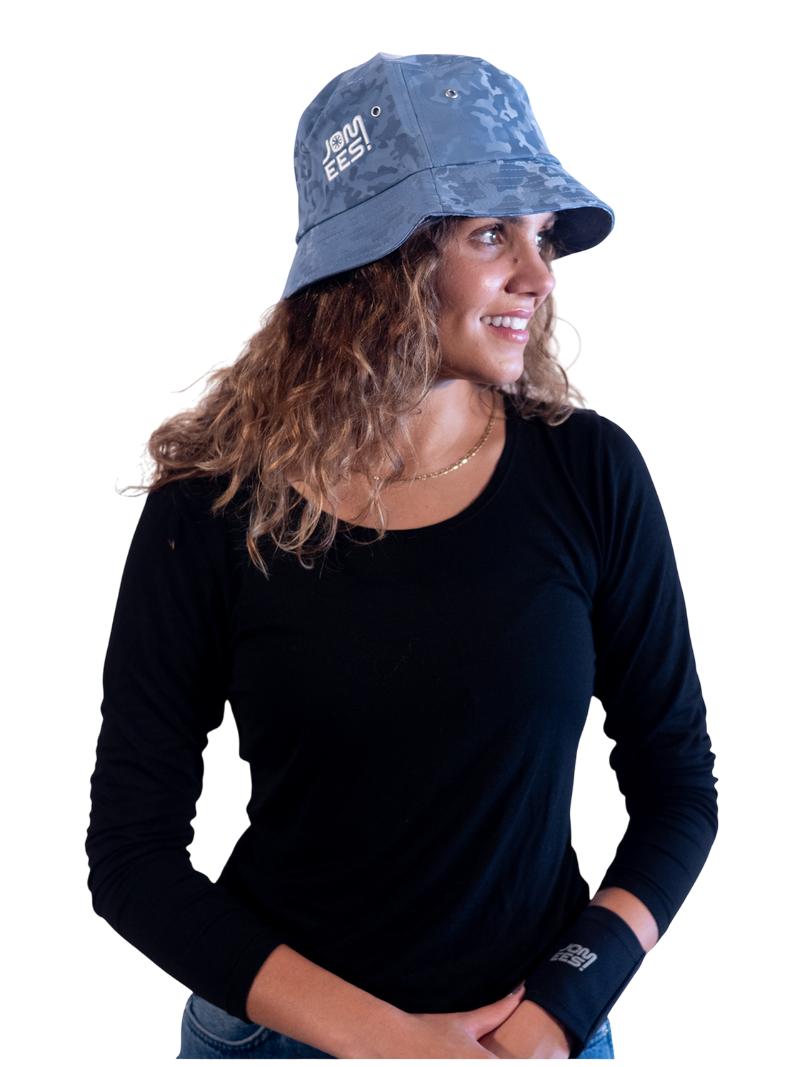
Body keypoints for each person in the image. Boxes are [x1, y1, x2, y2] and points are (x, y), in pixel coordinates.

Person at [90, 54, 718, 1060]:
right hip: (277, 1040)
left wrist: (557, 1009)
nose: (539, 275)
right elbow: (133, 857)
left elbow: (678, 788)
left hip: (529, 1034)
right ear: (378, 263)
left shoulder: (589, 470)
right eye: (489, 234)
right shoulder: (211, 507)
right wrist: (387, 1041)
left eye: (542, 236)